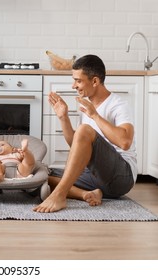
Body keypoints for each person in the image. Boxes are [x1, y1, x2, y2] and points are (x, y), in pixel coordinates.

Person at [33, 54, 137, 213]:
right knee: (40, 174)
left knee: (84, 130)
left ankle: (59, 195)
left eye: (78, 80)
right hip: (95, 177)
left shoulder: (118, 104)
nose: (73, 85)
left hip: (121, 178)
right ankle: (87, 194)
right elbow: (77, 145)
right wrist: (64, 118)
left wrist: (95, 115)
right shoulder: (88, 105)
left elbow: (125, 142)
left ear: (94, 81)